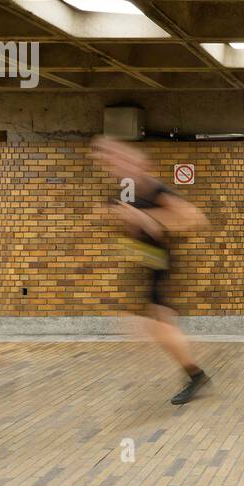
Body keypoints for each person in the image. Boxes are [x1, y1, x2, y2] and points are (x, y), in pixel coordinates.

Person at [92, 136, 211, 406]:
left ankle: (196, 375)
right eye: (108, 162)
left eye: (118, 159)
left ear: (139, 164)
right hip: (143, 263)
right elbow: (124, 227)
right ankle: (194, 374)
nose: (114, 166)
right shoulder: (122, 193)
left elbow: (195, 219)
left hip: (159, 263)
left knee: (160, 323)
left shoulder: (152, 189)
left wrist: (148, 219)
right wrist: (112, 219)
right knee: (159, 324)